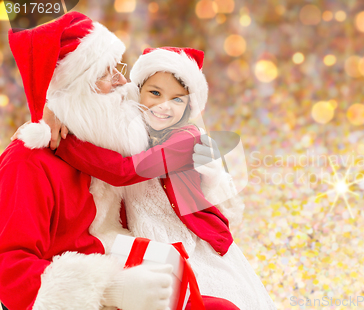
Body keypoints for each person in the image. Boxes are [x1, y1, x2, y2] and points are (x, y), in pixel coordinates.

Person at [0, 11, 226, 310]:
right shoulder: (29, 161)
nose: (123, 81)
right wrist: (108, 291)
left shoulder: (110, 139)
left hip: (130, 256)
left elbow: (125, 155)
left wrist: (54, 108)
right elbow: (9, 268)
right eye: (107, 72)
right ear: (77, 87)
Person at [52, 46, 277, 309]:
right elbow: (96, 112)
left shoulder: (186, 139)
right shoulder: (131, 130)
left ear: (189, 106)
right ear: (138, 91)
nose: (163, 106)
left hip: (188, 239)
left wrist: (64, 143)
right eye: (155, 93)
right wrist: (57, 112)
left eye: (177, 99)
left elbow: (124, 171)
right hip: (145, 237)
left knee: (206, 296)